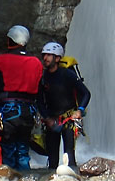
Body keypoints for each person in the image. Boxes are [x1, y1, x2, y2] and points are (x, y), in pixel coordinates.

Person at [0, 25, 43, 171]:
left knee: (8, 149)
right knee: (22, 149)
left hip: (9, 110)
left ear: (12, 40)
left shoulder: (4, 60)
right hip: (29, 112)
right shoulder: (36, 63)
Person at [37, 42, 91, 172]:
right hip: (51, 121)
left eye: (49, 55)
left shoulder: (67, 75)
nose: (45, 58)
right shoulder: (43, 77)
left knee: (69, 155)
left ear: (57, 58)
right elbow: (39, 100)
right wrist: (47, 118)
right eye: (44, 55)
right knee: (52, 159)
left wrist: (80, 110)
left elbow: (86, 93)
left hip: (68, 120)